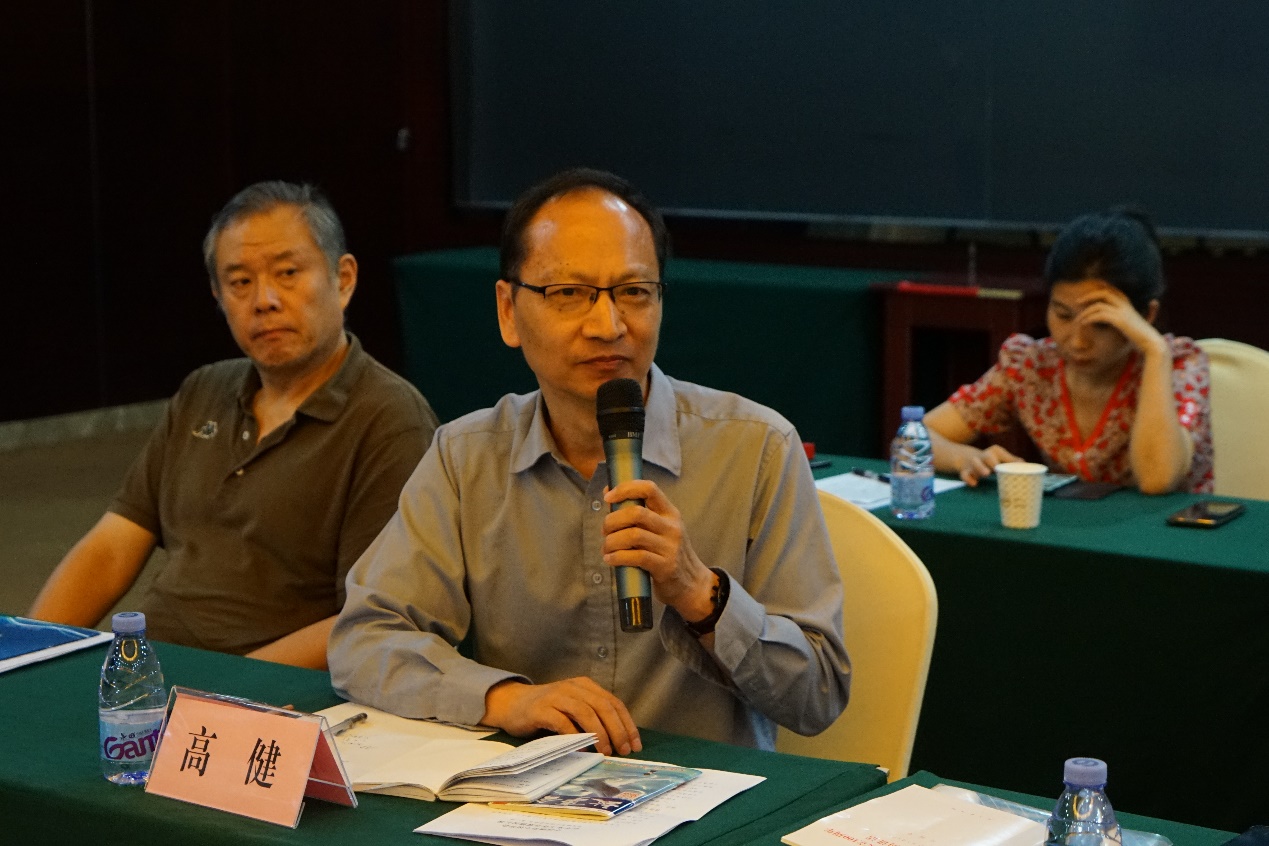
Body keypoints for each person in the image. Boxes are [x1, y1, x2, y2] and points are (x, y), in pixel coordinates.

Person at [328, 167, 850, 754]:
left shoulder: (757, 449)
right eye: (569, 294)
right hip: (533, 793)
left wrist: (699, 593)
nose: (608, 326)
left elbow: (819, 695)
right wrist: (507, 699)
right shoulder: (466, 457)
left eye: (634, 292)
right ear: (508, 311)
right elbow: (365, 641)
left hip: (712, 794)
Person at [28, 181, 439, 668]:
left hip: (268, 691)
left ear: (343, 279)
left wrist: (221, 691)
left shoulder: (389, 420)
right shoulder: (204, 390)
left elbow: (370, 618)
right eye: (240, 282)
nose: (264, 300)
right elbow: (111, 547)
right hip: (150, 672)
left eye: (288, 273)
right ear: (218, 296)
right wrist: (28, 651)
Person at [925, 208, 1213, 494]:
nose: (1077, 342)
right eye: (1063, 315)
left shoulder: (1179, 365)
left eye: (1101, 324)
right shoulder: (1032, 365)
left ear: (1146, 316)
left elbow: (1157, 479)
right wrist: (962, 457)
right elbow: (914, 439)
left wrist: (1155, 351)